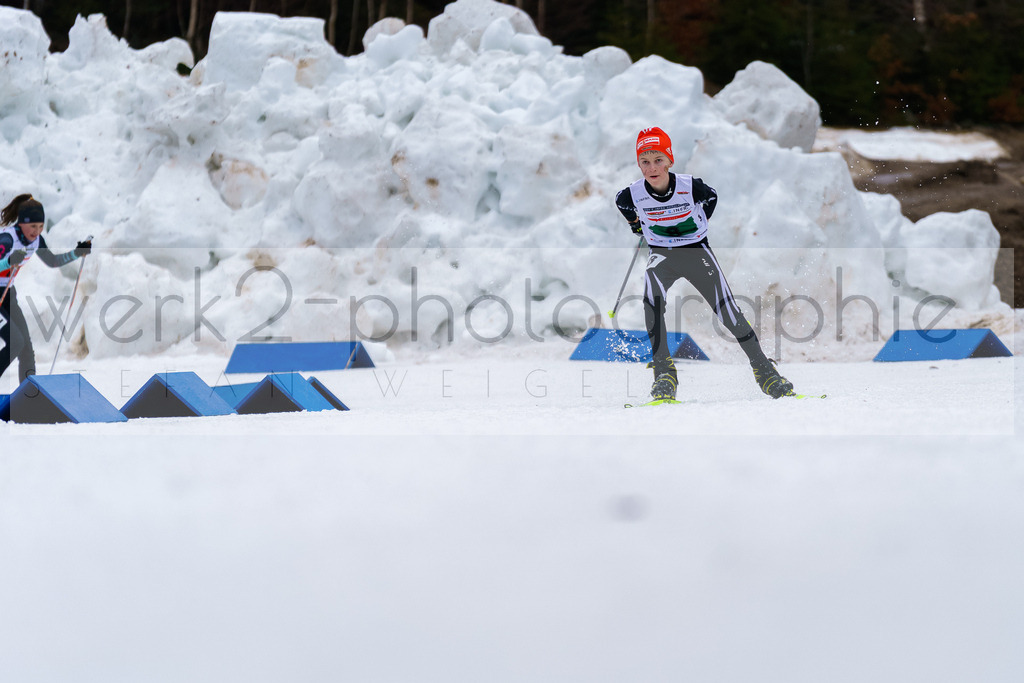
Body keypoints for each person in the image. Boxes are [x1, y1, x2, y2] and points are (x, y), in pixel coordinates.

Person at [615, 127, 795, 401]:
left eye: (658, 160)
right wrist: (636, 226)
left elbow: (711, 197)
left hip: (695, 252)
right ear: (639, 164)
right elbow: (624, 206)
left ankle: (765, 371)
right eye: (645, 161)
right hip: (662, 255)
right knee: (651, 304)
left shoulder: (689, 186)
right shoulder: (631, 194)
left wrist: (702, 218)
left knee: (728, 312)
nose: (652, 168)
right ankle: (664, 375)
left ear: (670, 160)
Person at [0, 194, 92, 384]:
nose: (37, 231)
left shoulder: (36, 241)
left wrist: (77, 253)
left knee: (26, 347)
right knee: (15, 342)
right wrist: (8, 261)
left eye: (41, 226)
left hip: (8, 294)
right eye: (33, 226)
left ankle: (29, 394)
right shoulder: (7, 240)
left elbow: (53, 261)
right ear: (21, 223)